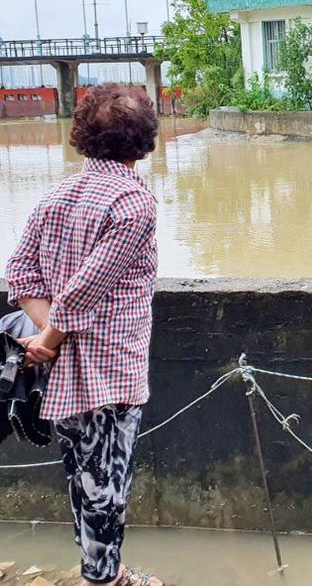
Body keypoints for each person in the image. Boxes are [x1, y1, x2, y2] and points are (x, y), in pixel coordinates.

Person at [5, 85, 163, 586]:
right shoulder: (134, 203)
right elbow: (84, 290)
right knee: (107, 483)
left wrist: (44, 338)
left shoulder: (56, 196)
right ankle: (104, 579)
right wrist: (52, 337)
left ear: (82, 137)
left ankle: (99, 570)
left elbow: (20, 276)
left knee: (79, 474)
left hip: (56, 373)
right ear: (145, 142)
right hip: (109, 368)